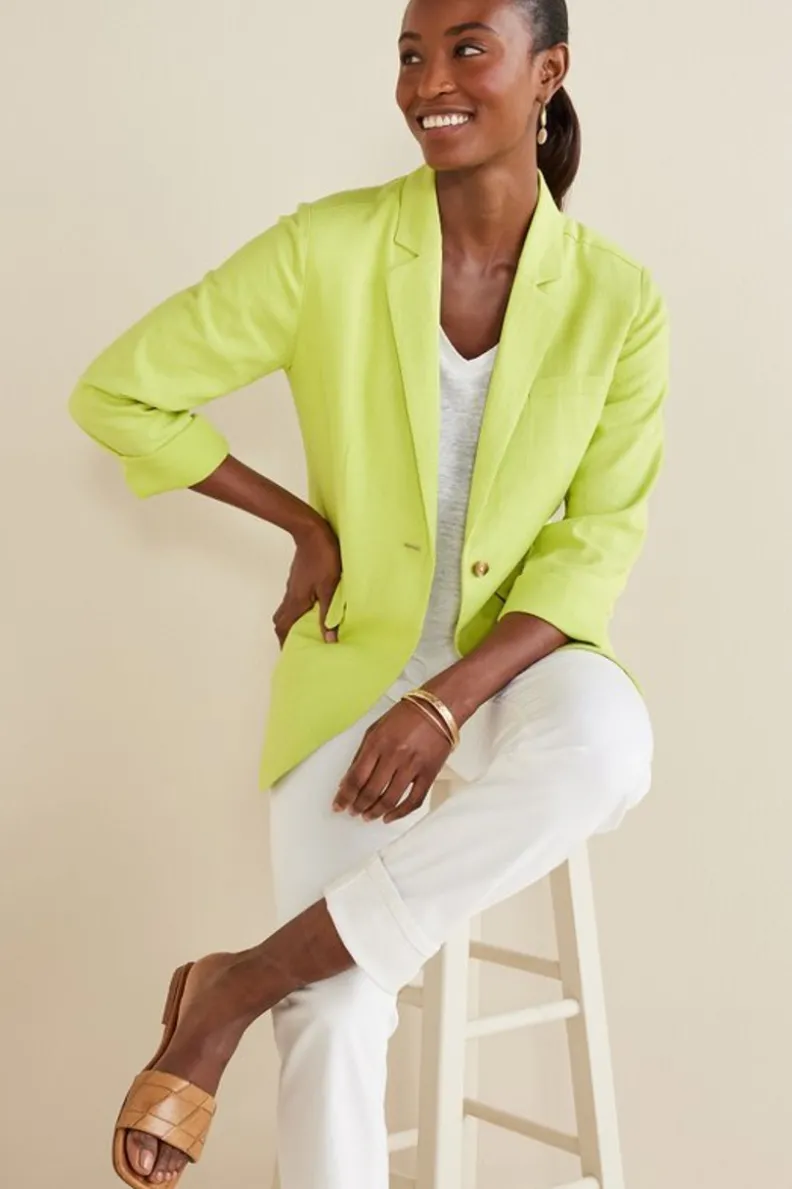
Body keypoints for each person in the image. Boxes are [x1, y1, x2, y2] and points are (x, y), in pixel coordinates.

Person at [69, 0, 669, 1186]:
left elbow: (599, 537)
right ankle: (287, 979)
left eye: (467, 49)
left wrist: (444, 701)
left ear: (548, 70)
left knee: (611, 749)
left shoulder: (618, 298)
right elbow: (119, 392)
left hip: (516, 661)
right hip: (353, 654)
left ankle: (240, 980)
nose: (429, 82)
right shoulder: (328, 249)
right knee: (337, 1009)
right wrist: (303, 521)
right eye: (410, 54)